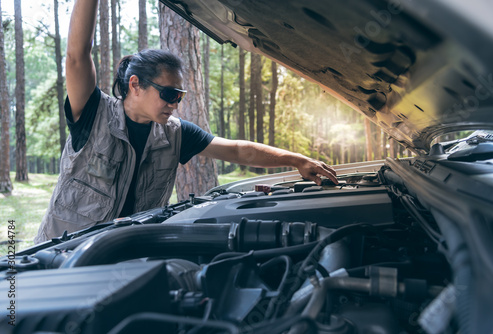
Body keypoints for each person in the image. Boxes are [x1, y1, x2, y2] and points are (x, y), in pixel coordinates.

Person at [33, 0, 338, 244]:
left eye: (178, 95)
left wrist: (297, 159)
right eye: (168, 93)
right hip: (59, 255)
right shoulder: (92, 111)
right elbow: (76, 55)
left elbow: (238, 151)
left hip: (122, 256)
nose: (174, 103)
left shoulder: (174, 134)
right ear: (136, 85)